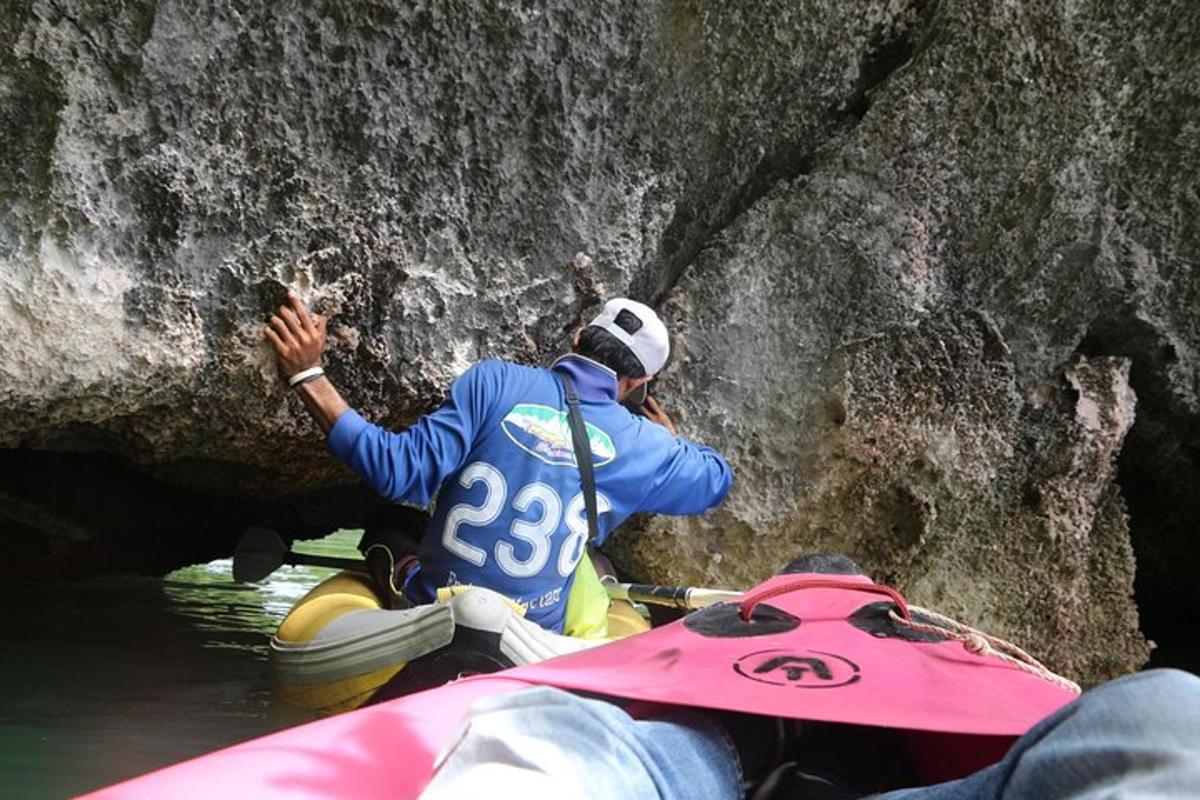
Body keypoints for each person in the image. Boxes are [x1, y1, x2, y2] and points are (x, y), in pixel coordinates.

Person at [264, 290, 732, 634]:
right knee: (596, 558)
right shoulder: (649, 445)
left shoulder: (493, 381)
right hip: (536, 634)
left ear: (577, 338)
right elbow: (716, 479)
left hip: (438, 606)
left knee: (389, 524)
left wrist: (308, 374)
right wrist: (672, 442)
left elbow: (395, 472)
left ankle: (395, 568)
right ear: (639, 383)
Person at [418, 669, 1200, 799]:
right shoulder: (641, 440)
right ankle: (810, 763)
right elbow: (705, 478)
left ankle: (744, 736)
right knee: (1169, 704)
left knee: (553, 729)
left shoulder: (496, 392)